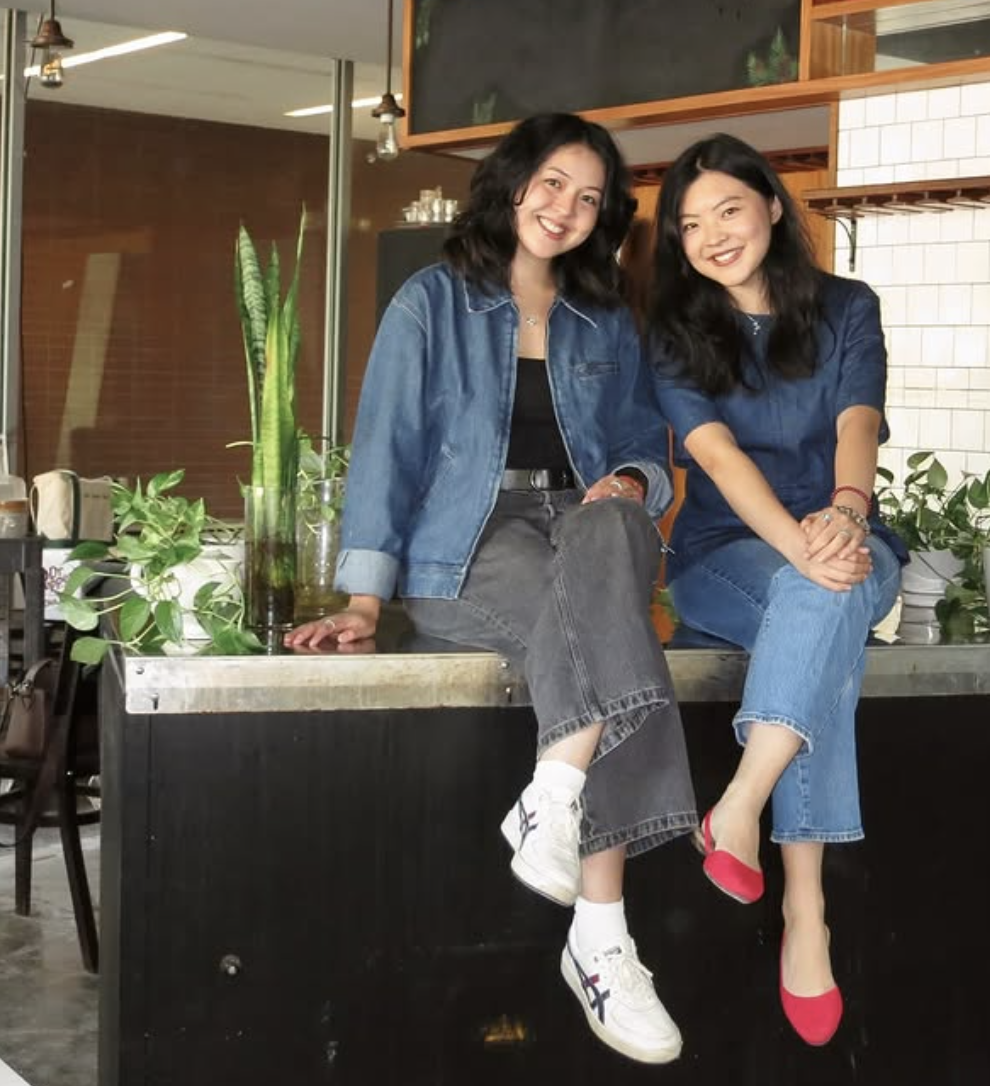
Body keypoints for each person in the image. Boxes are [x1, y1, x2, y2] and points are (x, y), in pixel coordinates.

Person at [285, 113, 695, 1066]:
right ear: (513, 185)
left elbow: (644, 440)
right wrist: (364, 597)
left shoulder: (606, 317)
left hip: (585, 527)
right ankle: (602, 938)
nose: (566, 209)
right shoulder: (431, 302)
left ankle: (556, 791)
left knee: (608, 531)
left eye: (589, 198)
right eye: (552, 184)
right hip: (470, 540)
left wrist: (633, 480)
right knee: (606, 634)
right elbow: (385, 449)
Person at [646, 133, 906, 1047]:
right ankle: (806, 908)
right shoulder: (674, 335)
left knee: (824, 595)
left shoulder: (847, 307)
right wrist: (802, 544)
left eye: (728, 209)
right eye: (690, 225)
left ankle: (739, 806)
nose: (712, 235)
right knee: (822, 600)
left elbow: (858, 420)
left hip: (849, 537)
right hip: (725, 554)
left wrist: (846, 511)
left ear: (769, 205)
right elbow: (715, 456)